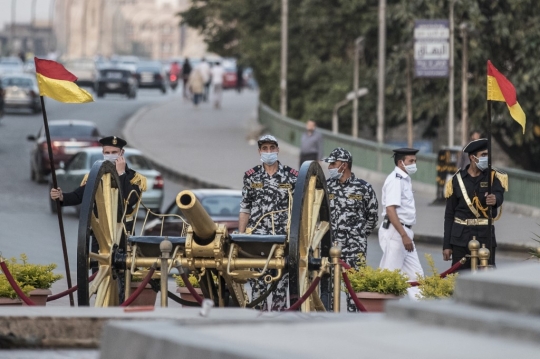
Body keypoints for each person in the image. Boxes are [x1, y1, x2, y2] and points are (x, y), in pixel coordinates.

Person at [239, 134, 298, 311]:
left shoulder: (292, 176)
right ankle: (258, 328)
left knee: (280, 288)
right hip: (257, 241)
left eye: (272, 148)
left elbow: (299, 210)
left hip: (282, 240)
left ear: (278, 150)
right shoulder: (251, 176)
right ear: (259, 152)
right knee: (258, 289)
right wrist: (241, 238)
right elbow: (245, 208)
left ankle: (278, 330)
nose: (269, 152)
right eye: (265, 149)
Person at [50, 136, 147, 237]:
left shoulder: (135, 178)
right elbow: (78, 196)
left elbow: (130, 200)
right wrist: (61, 197)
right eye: (107, 153)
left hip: (124, 230)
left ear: (122, 153)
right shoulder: (96, 176)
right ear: (103, 153)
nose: (110, 155)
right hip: (101, 232)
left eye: (114, 152)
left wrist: (121, 174)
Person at [323, 147, 378, 312]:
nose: (330, 167)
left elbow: (372, 217)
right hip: (331, 248)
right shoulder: (325, 187)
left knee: (354, 293)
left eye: (333, 163)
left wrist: (358, 236)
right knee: (328, 292)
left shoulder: (363, 188)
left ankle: (353, 324)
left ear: (344, 165)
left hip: (355, 249)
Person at [443, 138, 507, 270]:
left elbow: (499, 194)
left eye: (488, 155)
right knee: (460, 279)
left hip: (485, 237)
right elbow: (449, 214)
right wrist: (447, 245)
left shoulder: (493, 176)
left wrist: (495, 200)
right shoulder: (457, 180)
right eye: (483, 155)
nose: (487, 158)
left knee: (486, 279)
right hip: (460, 239)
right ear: (472, 158)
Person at [378, 148, 424, 300]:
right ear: (400, 162)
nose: (414, 164)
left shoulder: (405, 179)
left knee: (416, 276)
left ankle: (421, 311)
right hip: (397, 232)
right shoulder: (395, 180)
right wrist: (403, 235)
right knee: (390, 275)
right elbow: (391, 210)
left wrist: (406, 234)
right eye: (411, 161)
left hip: (405, 232)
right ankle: (379, 312)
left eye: (415, 161)